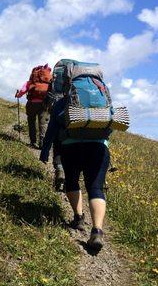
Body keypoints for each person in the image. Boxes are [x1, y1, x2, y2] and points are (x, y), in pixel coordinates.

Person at [39, 96, 110, 249]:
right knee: (95, 188)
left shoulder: (63, 102)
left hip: (71, 147)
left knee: (71, 181)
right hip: (99, 148)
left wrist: (45, 151)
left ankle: (78, 218)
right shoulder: (102, 99)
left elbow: (52, 128)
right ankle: (97, 231)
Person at [15, 65, 51, 149]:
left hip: (32, 104)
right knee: (43, 124)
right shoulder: (48, 83)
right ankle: (42, 144)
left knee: (31, 122)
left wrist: (17, 95)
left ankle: (33, 142)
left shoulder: (30, 82)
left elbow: (22, 92)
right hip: (44, 104)